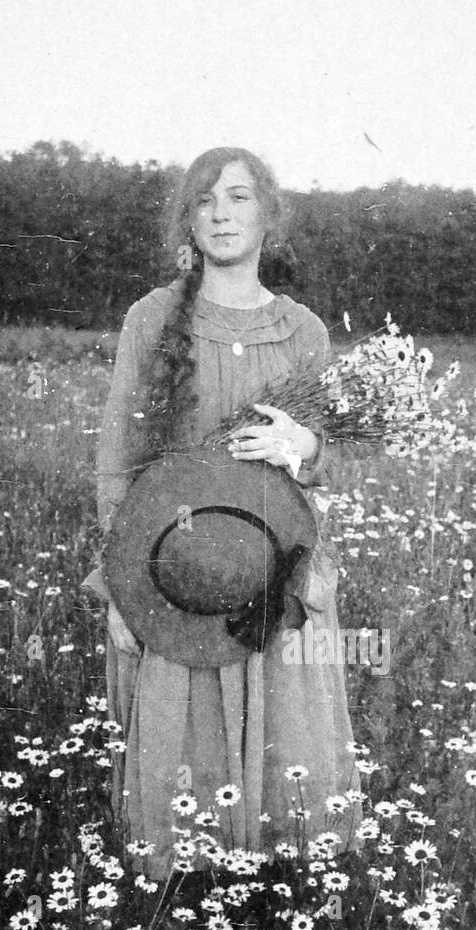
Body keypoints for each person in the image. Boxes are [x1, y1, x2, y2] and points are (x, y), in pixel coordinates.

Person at [83, 146, 363, 890]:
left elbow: (333, 453)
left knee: (285, 770)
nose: (221, 213)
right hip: (174, 580)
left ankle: (278, 910)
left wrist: (304, 445)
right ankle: (178, 907)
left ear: (267, 216)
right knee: (184, 767)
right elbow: (118, 461)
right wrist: (119, 587)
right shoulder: (151, 318)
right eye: (205, 200)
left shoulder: (302, 330)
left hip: (281, 574)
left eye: (238, 198)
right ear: (188, 218)